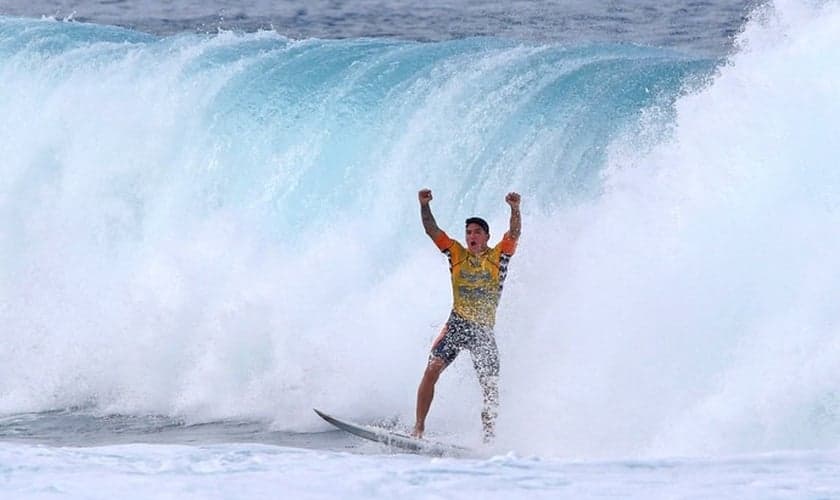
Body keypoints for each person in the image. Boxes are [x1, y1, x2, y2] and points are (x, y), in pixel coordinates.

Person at [412, 188, 521, 442]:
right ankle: (418, 428)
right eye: (468, 232)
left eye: (477, 232)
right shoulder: (456, 254)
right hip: (457, 324)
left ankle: (488, 440)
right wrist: (424, 205)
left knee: (490, 388)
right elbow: (432, 230)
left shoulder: (499, 257)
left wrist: (515, 209)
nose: (471, 236)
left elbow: (515, 233)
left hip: (483, 331)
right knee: (432, 369)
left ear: (486, 237)